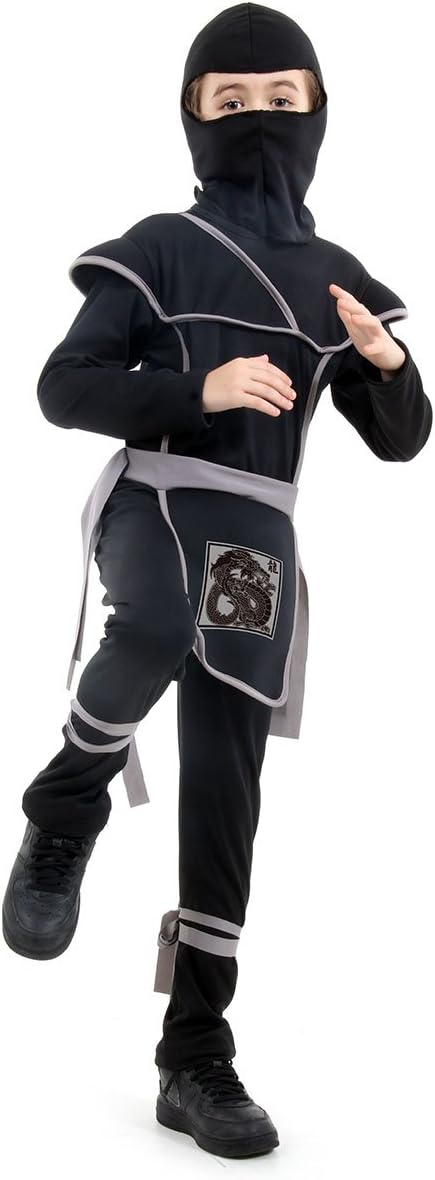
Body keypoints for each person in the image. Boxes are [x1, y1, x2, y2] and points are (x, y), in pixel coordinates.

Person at [2, 1, 432, 1160]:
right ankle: (66, 805)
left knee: (227, 782)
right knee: (149, 625)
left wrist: (388, 361)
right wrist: (199, 389)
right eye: (230, 102)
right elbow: (64, 386)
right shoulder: (157, 245)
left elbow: (402, 440)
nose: (258, 120)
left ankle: (194, 1054)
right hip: (156, 495)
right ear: (190, 117)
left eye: (282, 100)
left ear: (321, 113)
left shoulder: (338, 278)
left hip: (253, 539)